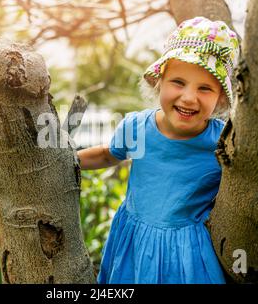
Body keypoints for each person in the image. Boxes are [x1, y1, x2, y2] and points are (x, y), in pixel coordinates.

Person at [77, 16, 240, 284]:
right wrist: (69, 161)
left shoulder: (222, 143)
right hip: (134, 242)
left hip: (187, 254)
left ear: (220, 97)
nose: (189, 97)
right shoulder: (138, 127)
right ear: (159, 81)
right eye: (178, 82)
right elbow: (108, 154)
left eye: (205, 88)